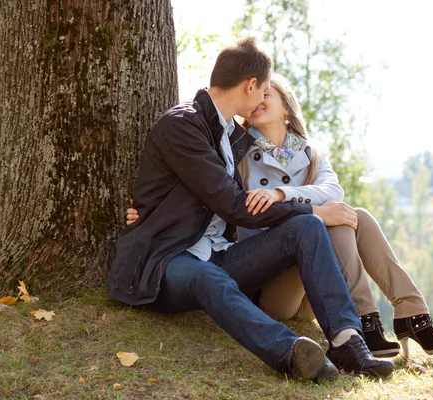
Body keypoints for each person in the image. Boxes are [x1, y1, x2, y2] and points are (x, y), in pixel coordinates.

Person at [109, 37, 394, 383]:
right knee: (210, 276)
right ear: (250, 86)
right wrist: (315, 212)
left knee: (306, 229)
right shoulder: (183, 125)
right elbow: (233, 205)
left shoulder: (230, 134)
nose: (263, 100)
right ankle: (292, 354)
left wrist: (306, 209)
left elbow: (283, 153)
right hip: (167, 260)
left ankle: (346, 339)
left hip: (220, 253)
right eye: (263, 92)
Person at [126, 72, 433, 358]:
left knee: (355, 216)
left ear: (286, 107)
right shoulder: (237, 152)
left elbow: (333, 194)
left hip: (316, 287)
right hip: (271, 285)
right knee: (324, 221)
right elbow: (209, 194)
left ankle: (412, 315)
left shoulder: (311, 152)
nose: (258, 101)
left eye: (267, 94)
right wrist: (156, 212)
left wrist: (282, 193)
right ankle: (364, 320)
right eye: (256, 94)